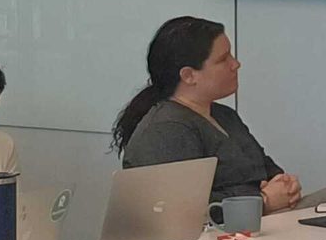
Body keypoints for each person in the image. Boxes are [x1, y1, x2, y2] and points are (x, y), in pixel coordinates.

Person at [111, 17, 301, 212]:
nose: (236, 64)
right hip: (216, 238)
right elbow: (184, 208)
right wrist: (263, 200)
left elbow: (267, 171)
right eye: (223, 59)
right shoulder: (166, 130)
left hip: (262, 226)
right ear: (189, 75)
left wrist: (286, 186)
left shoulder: (225, 116)